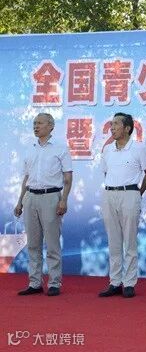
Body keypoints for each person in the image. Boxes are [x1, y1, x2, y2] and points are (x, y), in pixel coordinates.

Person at [14, 113, 73, 296]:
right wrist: (20, 201)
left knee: (52, 243)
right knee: (33, 244)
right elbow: (26, 178)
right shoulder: (29, 149)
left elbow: (68, 177)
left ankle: (54, 282)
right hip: (30, 197)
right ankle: (34, 282)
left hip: (51, 197)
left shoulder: (60, 148)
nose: (36, 126)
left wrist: (64, 200)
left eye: (40, 123)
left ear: (51, 126)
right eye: (34, 123)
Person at [98, 113, 146, 298]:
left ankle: (129, 283)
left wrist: (138, 193)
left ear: (127, 128)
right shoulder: (107, 149)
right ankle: (115, 282)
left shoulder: (139, 148)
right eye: (111, 124)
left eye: (116, 124)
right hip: (109, 194)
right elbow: (106, 172)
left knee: (129, 241)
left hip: (130, 193)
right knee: (113, 241)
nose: (112, 128)